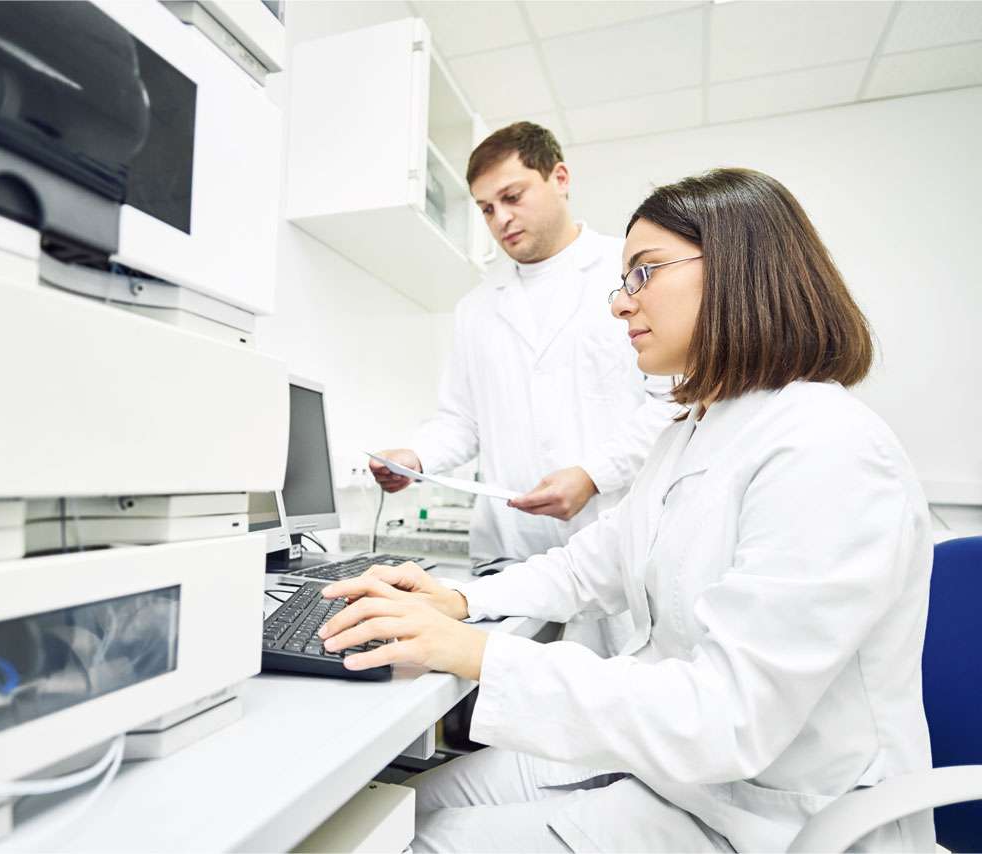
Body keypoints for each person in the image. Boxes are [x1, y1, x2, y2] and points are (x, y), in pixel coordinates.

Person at [324, 168, 934, 851]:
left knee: (399, 841)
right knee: (406, 803)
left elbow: (723, 717)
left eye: (644, 273)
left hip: (775, 815)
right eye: (624, 280)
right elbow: (598, 562)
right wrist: (459, 602)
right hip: (676, 775)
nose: (620, 304)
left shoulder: (826, 448)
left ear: (740, 268)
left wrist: (473, 652)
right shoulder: (693, 430)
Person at [371, 124, 677, 619]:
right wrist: (416, 456)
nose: (501, 218)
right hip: (507, 552)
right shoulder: (476, 308)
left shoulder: (624, 276)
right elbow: (462, 421)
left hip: (611, 548)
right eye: (486, 208)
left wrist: (593, 476)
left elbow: (672, 403)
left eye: (512, 196)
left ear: (559, 177)